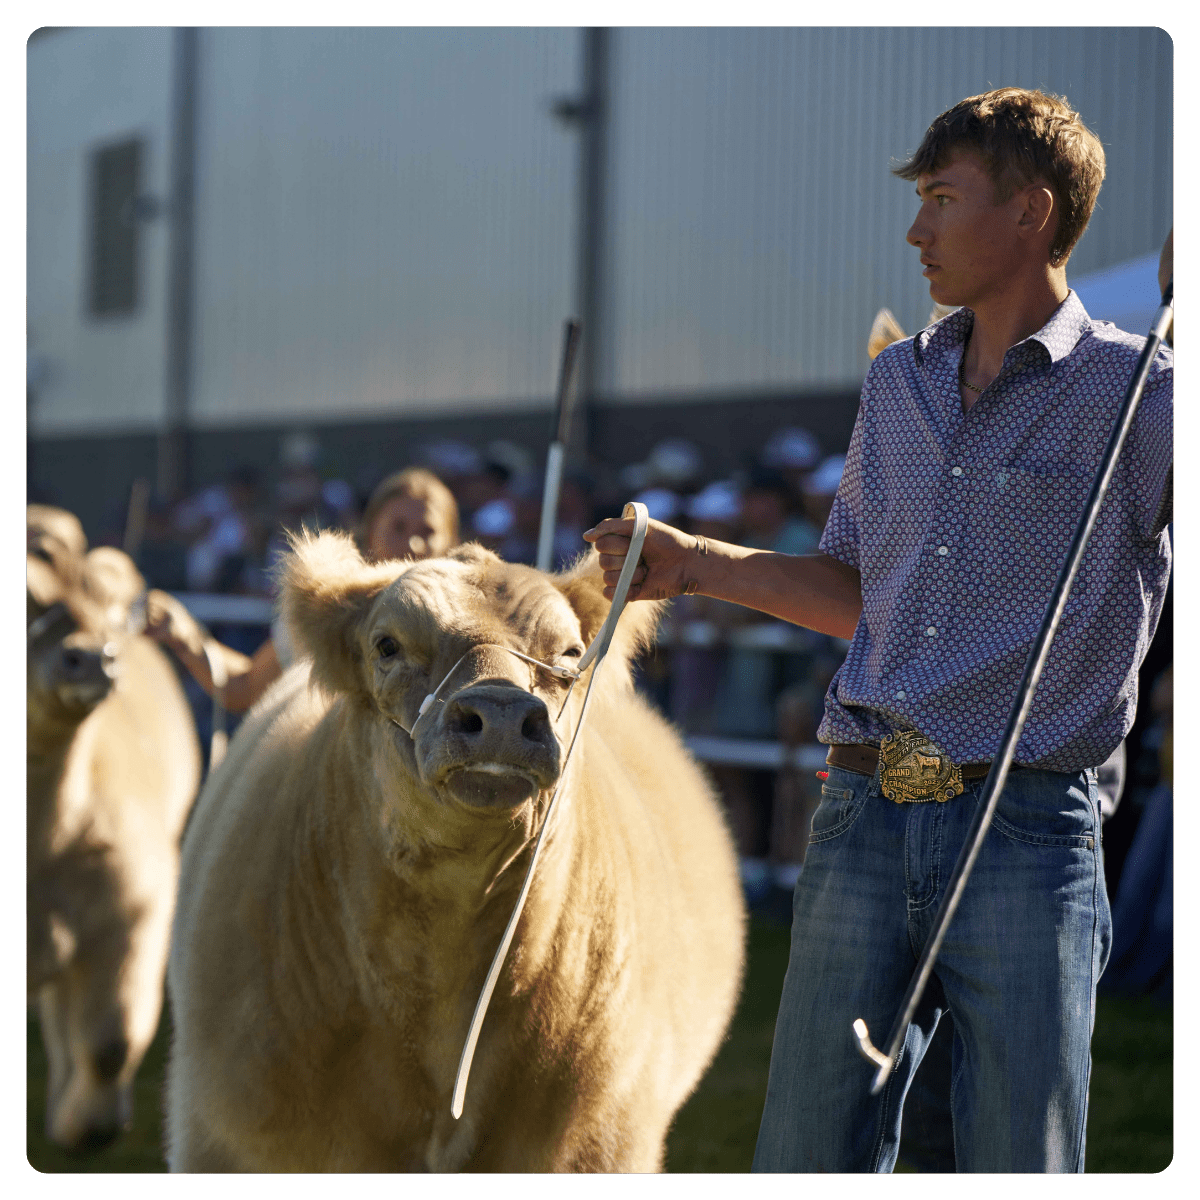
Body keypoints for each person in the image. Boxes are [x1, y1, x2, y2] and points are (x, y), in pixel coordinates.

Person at [584, 88, 1172, 1173]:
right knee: (810, 1152)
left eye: (943, 200)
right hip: (861, 807)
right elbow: (861, 592)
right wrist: (695, 565)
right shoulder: (895, 384)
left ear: (1032, 212)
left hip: (1028, 824)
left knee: (1016, 1158)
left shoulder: (1144, 394)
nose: (916, 231)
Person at [146, 467, 459, 713]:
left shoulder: (468, 630)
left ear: (451, 543)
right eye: (398, 527)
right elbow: (246, 688)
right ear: (369, 532)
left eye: (428, 531)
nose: (413, 543)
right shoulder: (331, 614)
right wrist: (186, 636)